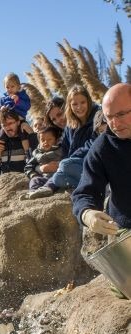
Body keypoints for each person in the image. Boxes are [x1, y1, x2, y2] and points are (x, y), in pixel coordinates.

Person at [72, 82, 131, 236]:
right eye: (109, 117)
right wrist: (87, 215)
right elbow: (85, 193)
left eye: (121, 114)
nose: (115, 124)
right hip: (125, 232)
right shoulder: (102, 147)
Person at [28, 84, 99, 199]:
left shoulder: (97, 118)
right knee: (57, 178)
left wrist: (68, 160)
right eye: (54, 119)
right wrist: (40, 169)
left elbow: (94, 143)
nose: (58, 121)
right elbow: (33, 161)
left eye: (59, 114)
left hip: (93, 165)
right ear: (70, 106)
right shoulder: (63, 131)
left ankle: (88, 187)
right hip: (72, 168)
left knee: (65, 165)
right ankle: (49, 188)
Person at [0, 110, 38, 174]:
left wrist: (31, 134)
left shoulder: (27, 141)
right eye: (4, 125)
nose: (8, 128)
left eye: (10, 123)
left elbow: (38, 159)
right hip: (6, 182)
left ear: (18, 122)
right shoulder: (0, 144)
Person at [21, 126, 63, 198]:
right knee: (35, 180)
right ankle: (33, 192)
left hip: (56, 176)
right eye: (42, 140)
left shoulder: (60, 150)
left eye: (49, 139)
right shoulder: (37, 153)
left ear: (56, 140)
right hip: (43, 177)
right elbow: (28, 167)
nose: (45, 142)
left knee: (56, 178)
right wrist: (34, 175)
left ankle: (47, 189)